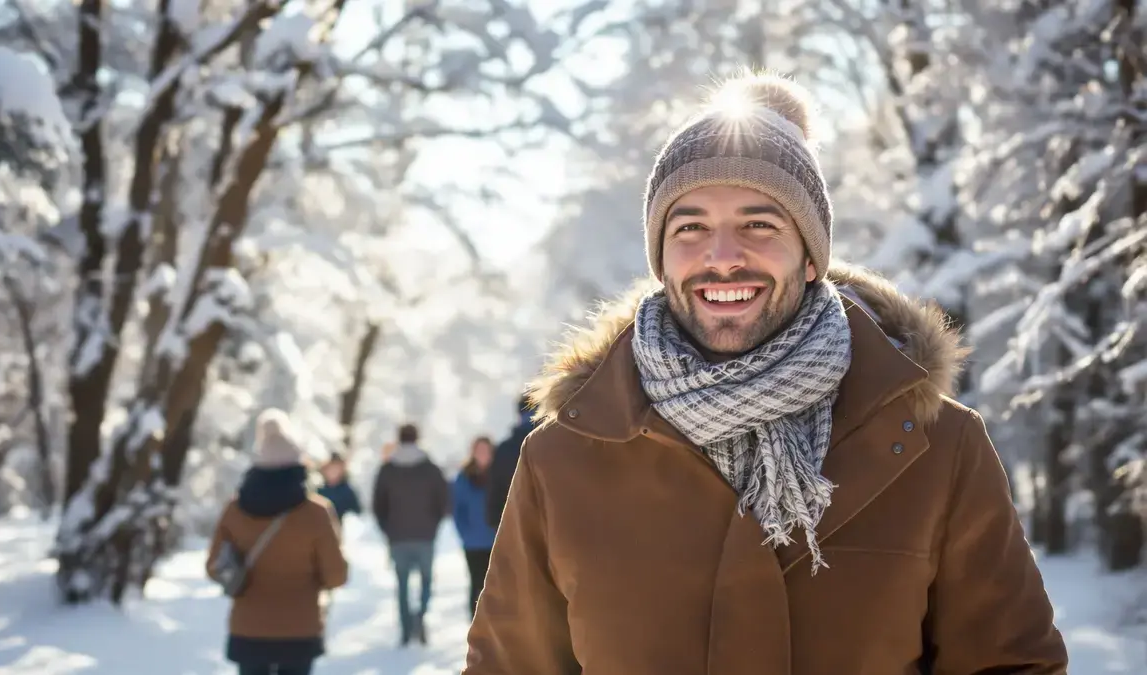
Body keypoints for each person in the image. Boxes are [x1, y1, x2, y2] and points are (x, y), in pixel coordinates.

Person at [464, 71, 1068, 674]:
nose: (723, 257)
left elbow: (1011, 665)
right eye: (690, 228)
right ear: (661, 260)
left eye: (759, 225)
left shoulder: (934, 443)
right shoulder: (565, 457)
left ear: (811, 258)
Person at [206, 409, 348, 675]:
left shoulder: (234, 511)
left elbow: (214, 566)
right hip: (299, 628)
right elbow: (336, 575)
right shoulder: (317, 513)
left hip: (249, 627)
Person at [372, 423, 451, 647]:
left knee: (403, 585)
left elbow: (378, 505)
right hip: (425, 536)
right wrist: (433, 525)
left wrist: (388, 529)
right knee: (426, 581)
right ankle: (420, 617)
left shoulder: (387, 469)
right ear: (418, 439)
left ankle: (406, 630)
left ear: (399, 440)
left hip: (398, 537)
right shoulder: (431, 469)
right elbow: (444, 502)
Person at [452, 435, 498, 617]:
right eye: (479, 450)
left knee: (496, 586)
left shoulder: (499, 474)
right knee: (477, 583)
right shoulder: (464, 477)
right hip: (473, 543)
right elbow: (457, 510)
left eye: (485, 450)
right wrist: (465, 534)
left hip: (496, 540)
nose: (482, 454)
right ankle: (476, 625)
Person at [485, 393, 536, 529]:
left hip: (514, 521)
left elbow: (496, 486)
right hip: (550, 522)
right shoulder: (555, 444)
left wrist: (495, 520)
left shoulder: (504, 449)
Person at [317, 452, 362, 522]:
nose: (333, 472)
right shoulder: (320, 492)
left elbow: (356, 514)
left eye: (336, 468)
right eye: (330, 469)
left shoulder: (348, 491)